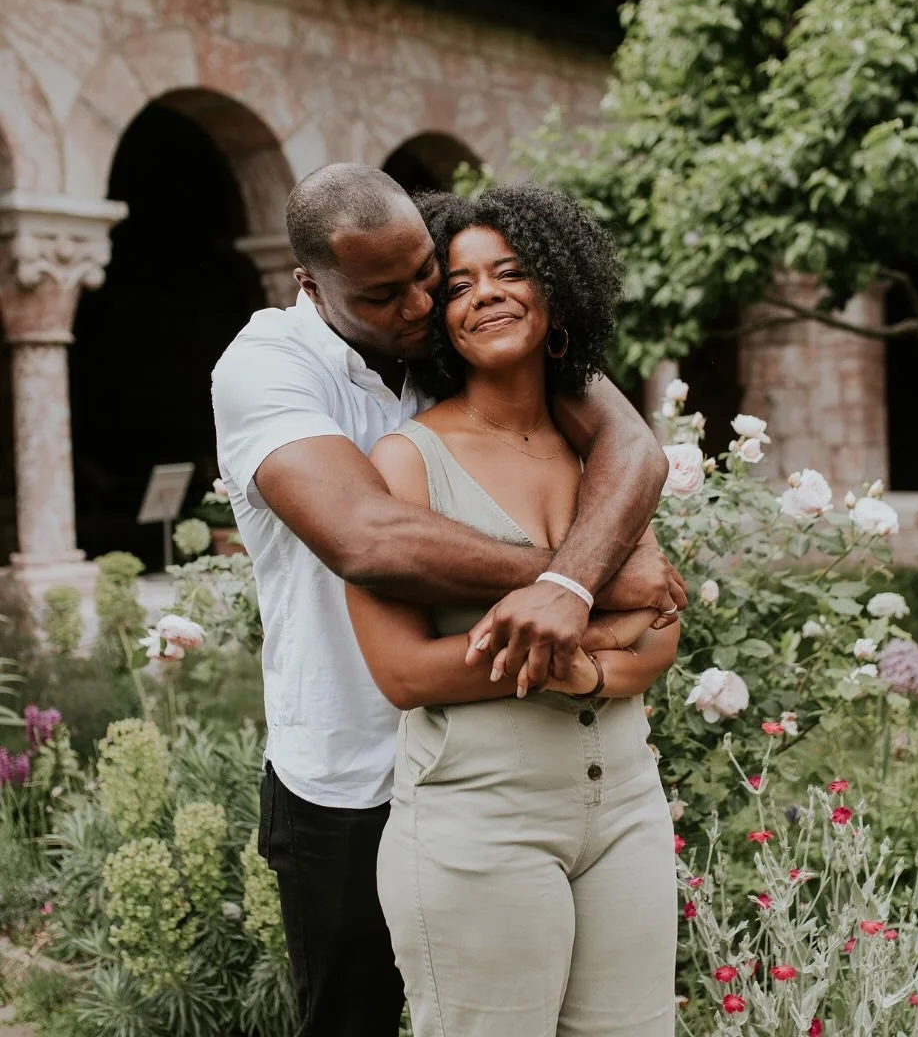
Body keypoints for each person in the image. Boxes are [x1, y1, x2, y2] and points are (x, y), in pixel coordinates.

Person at [210, 163, 686, 1037]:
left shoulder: (458, 345)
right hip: (352, 771)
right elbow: (370, 541)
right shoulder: (267, 367)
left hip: (523, 769)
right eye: (387, 294)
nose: (423, 305)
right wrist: (589, 581)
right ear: (311, 285)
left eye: (429, 274)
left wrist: (575, 600)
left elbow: (631, 445)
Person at [347, 184, 679, 1037]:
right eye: (459, 286)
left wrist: (592, 660)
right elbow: (403, 671)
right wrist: (582, 637)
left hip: (628, 811)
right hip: (477, 822)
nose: (487, 293)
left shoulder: (600, 455)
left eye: (511, 273)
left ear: (555, 291)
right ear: (439, 319)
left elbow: (664, 623)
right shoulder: (405, 461)